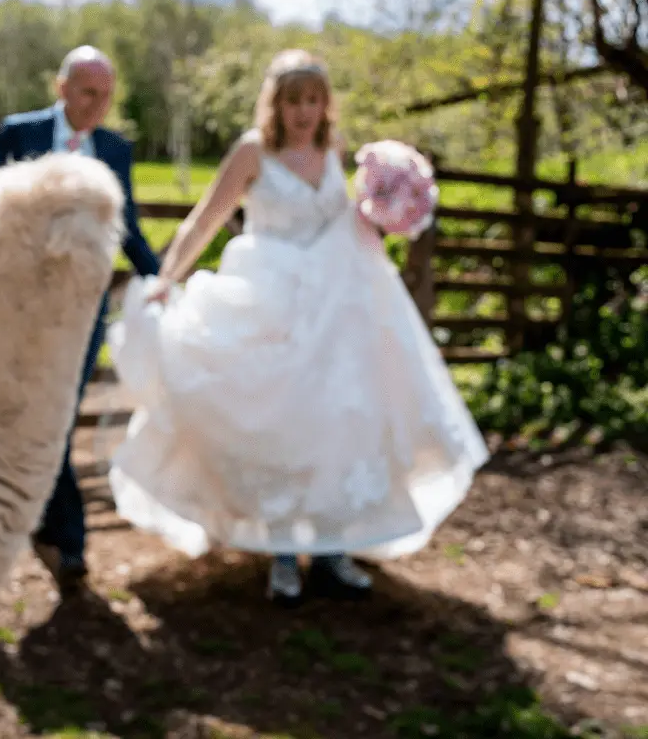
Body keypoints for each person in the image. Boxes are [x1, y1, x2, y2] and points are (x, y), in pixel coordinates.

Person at [105, 49, 489, 606]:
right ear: (276, 104)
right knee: (281, 420)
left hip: (340, 307)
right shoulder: (252, 152)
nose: (304, 111)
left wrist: (386, 213)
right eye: (293, 100)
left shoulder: (334, 150)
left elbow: (349, 217)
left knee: (342, 419)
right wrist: (167, 276)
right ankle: (283, 553)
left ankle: (333, 547)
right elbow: (207, 216)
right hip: (269, 303)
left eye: (313, 99)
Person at [0, 45, 160, 592]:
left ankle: (66, 543)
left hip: (80, 313)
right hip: (20, 307)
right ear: (62, 88)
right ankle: (35, 532)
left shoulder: (115, 149)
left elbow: (128, 229)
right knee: (19, 414)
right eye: (86, 92)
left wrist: (161, 278)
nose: (97, 105)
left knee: (60, 415)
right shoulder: (20, 134)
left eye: (105, 95)